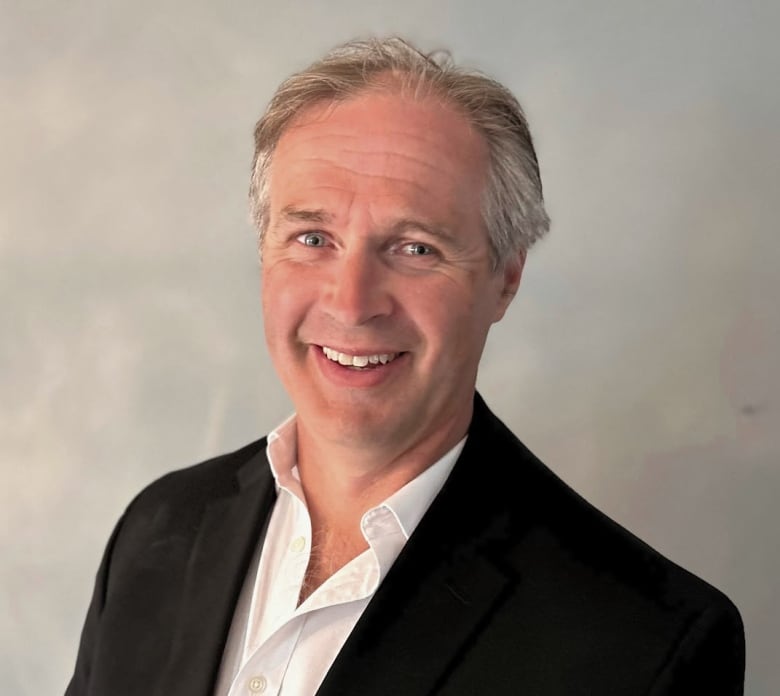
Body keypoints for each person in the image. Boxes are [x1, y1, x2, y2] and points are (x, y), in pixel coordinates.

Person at [66, 37, 745, 696]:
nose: (352, 302)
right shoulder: (158, 532)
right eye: (312, 238)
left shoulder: (646, 643)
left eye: (416, 248)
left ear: (504, 279)